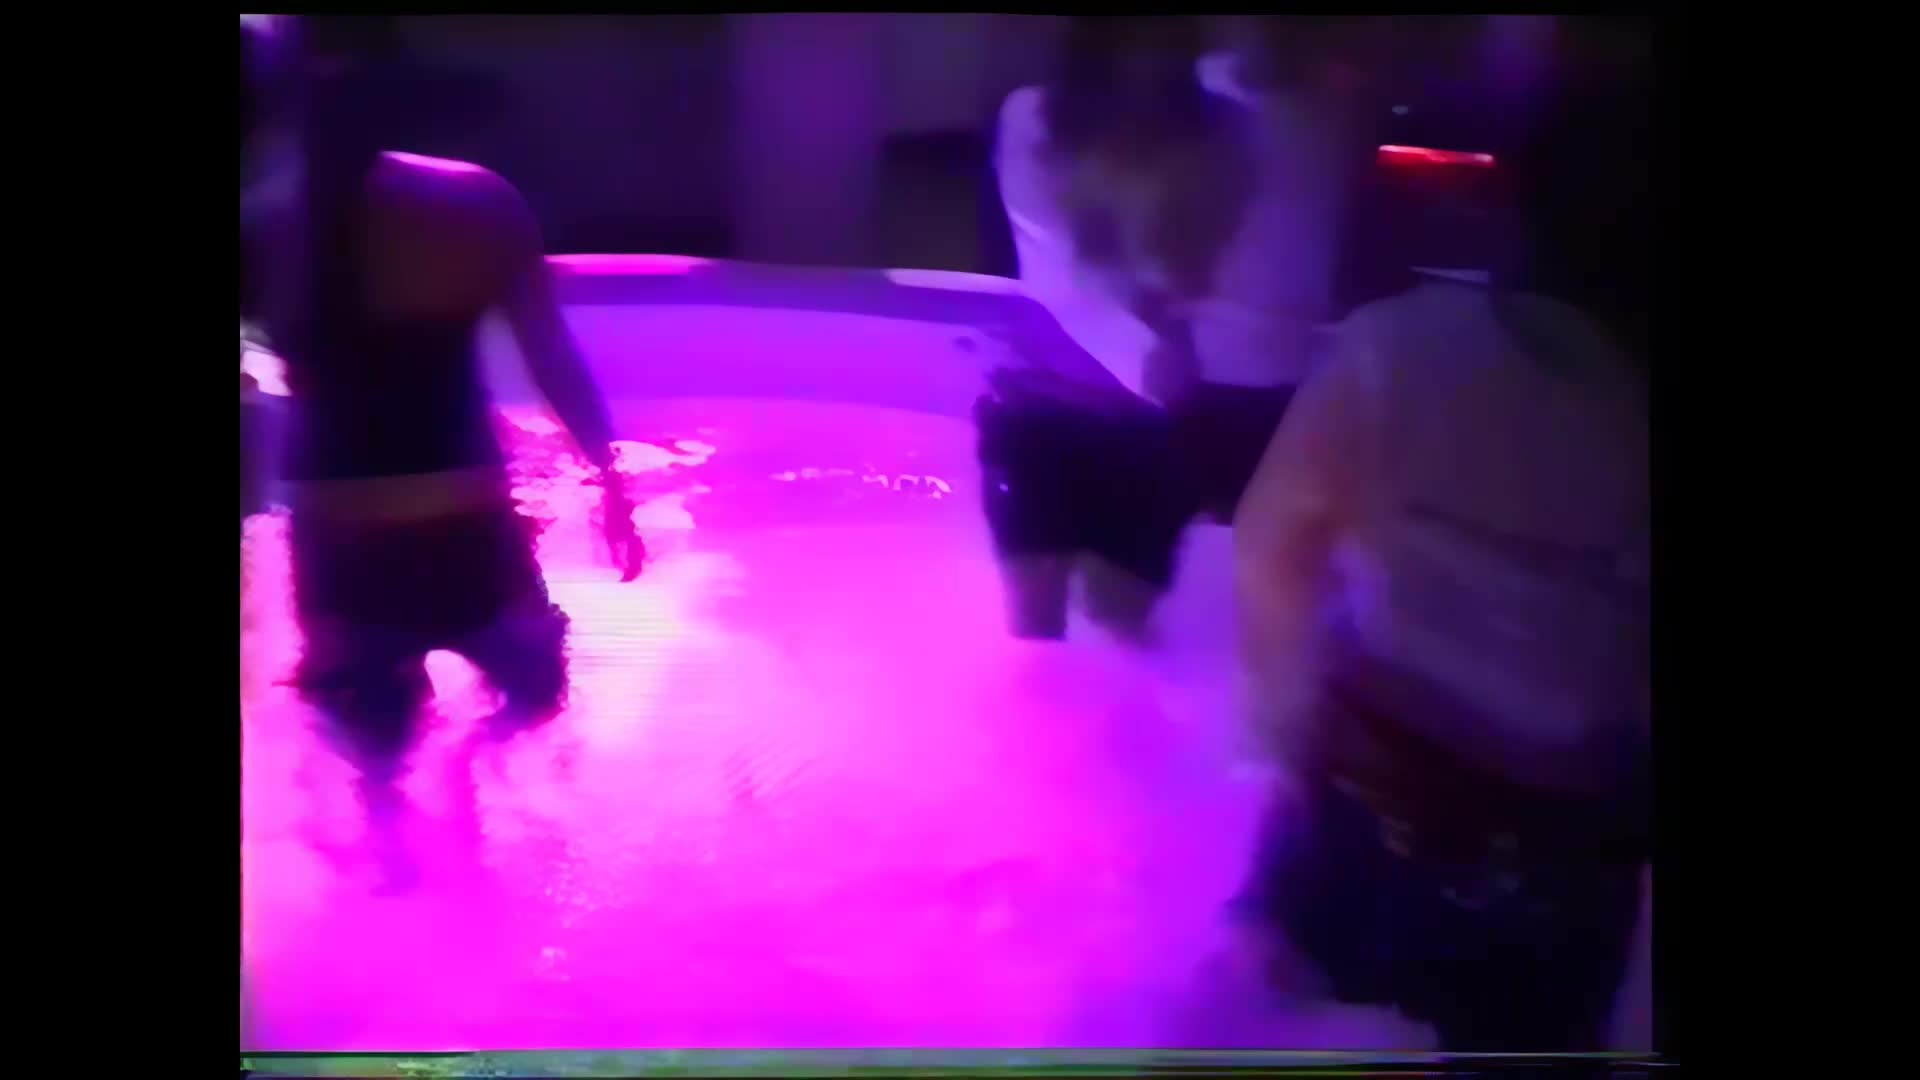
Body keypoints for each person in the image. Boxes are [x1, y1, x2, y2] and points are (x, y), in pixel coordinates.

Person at [1222, 60, 1651, 1050]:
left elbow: (1271, 549)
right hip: (1554, 856)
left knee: (1270, 1007)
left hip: (1369, 792)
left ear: (1515, 204)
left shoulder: (1397, 348)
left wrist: (1279, 735)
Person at [239, 17, 645, 791]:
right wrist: (611, 480)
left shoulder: (265, 231)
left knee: (374, 780)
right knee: (533, 702)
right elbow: (553, 360)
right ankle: (472, 789)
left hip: (338, 545)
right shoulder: (475, 204)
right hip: (467, 524)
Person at [978, 17, 1377, 641]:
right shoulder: (1035, 119)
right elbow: (1085, 265)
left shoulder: (1224, 136)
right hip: (1059, 400)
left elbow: (1174, 274)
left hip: (1122, 413)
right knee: (1057, 632)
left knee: (1104, 627)